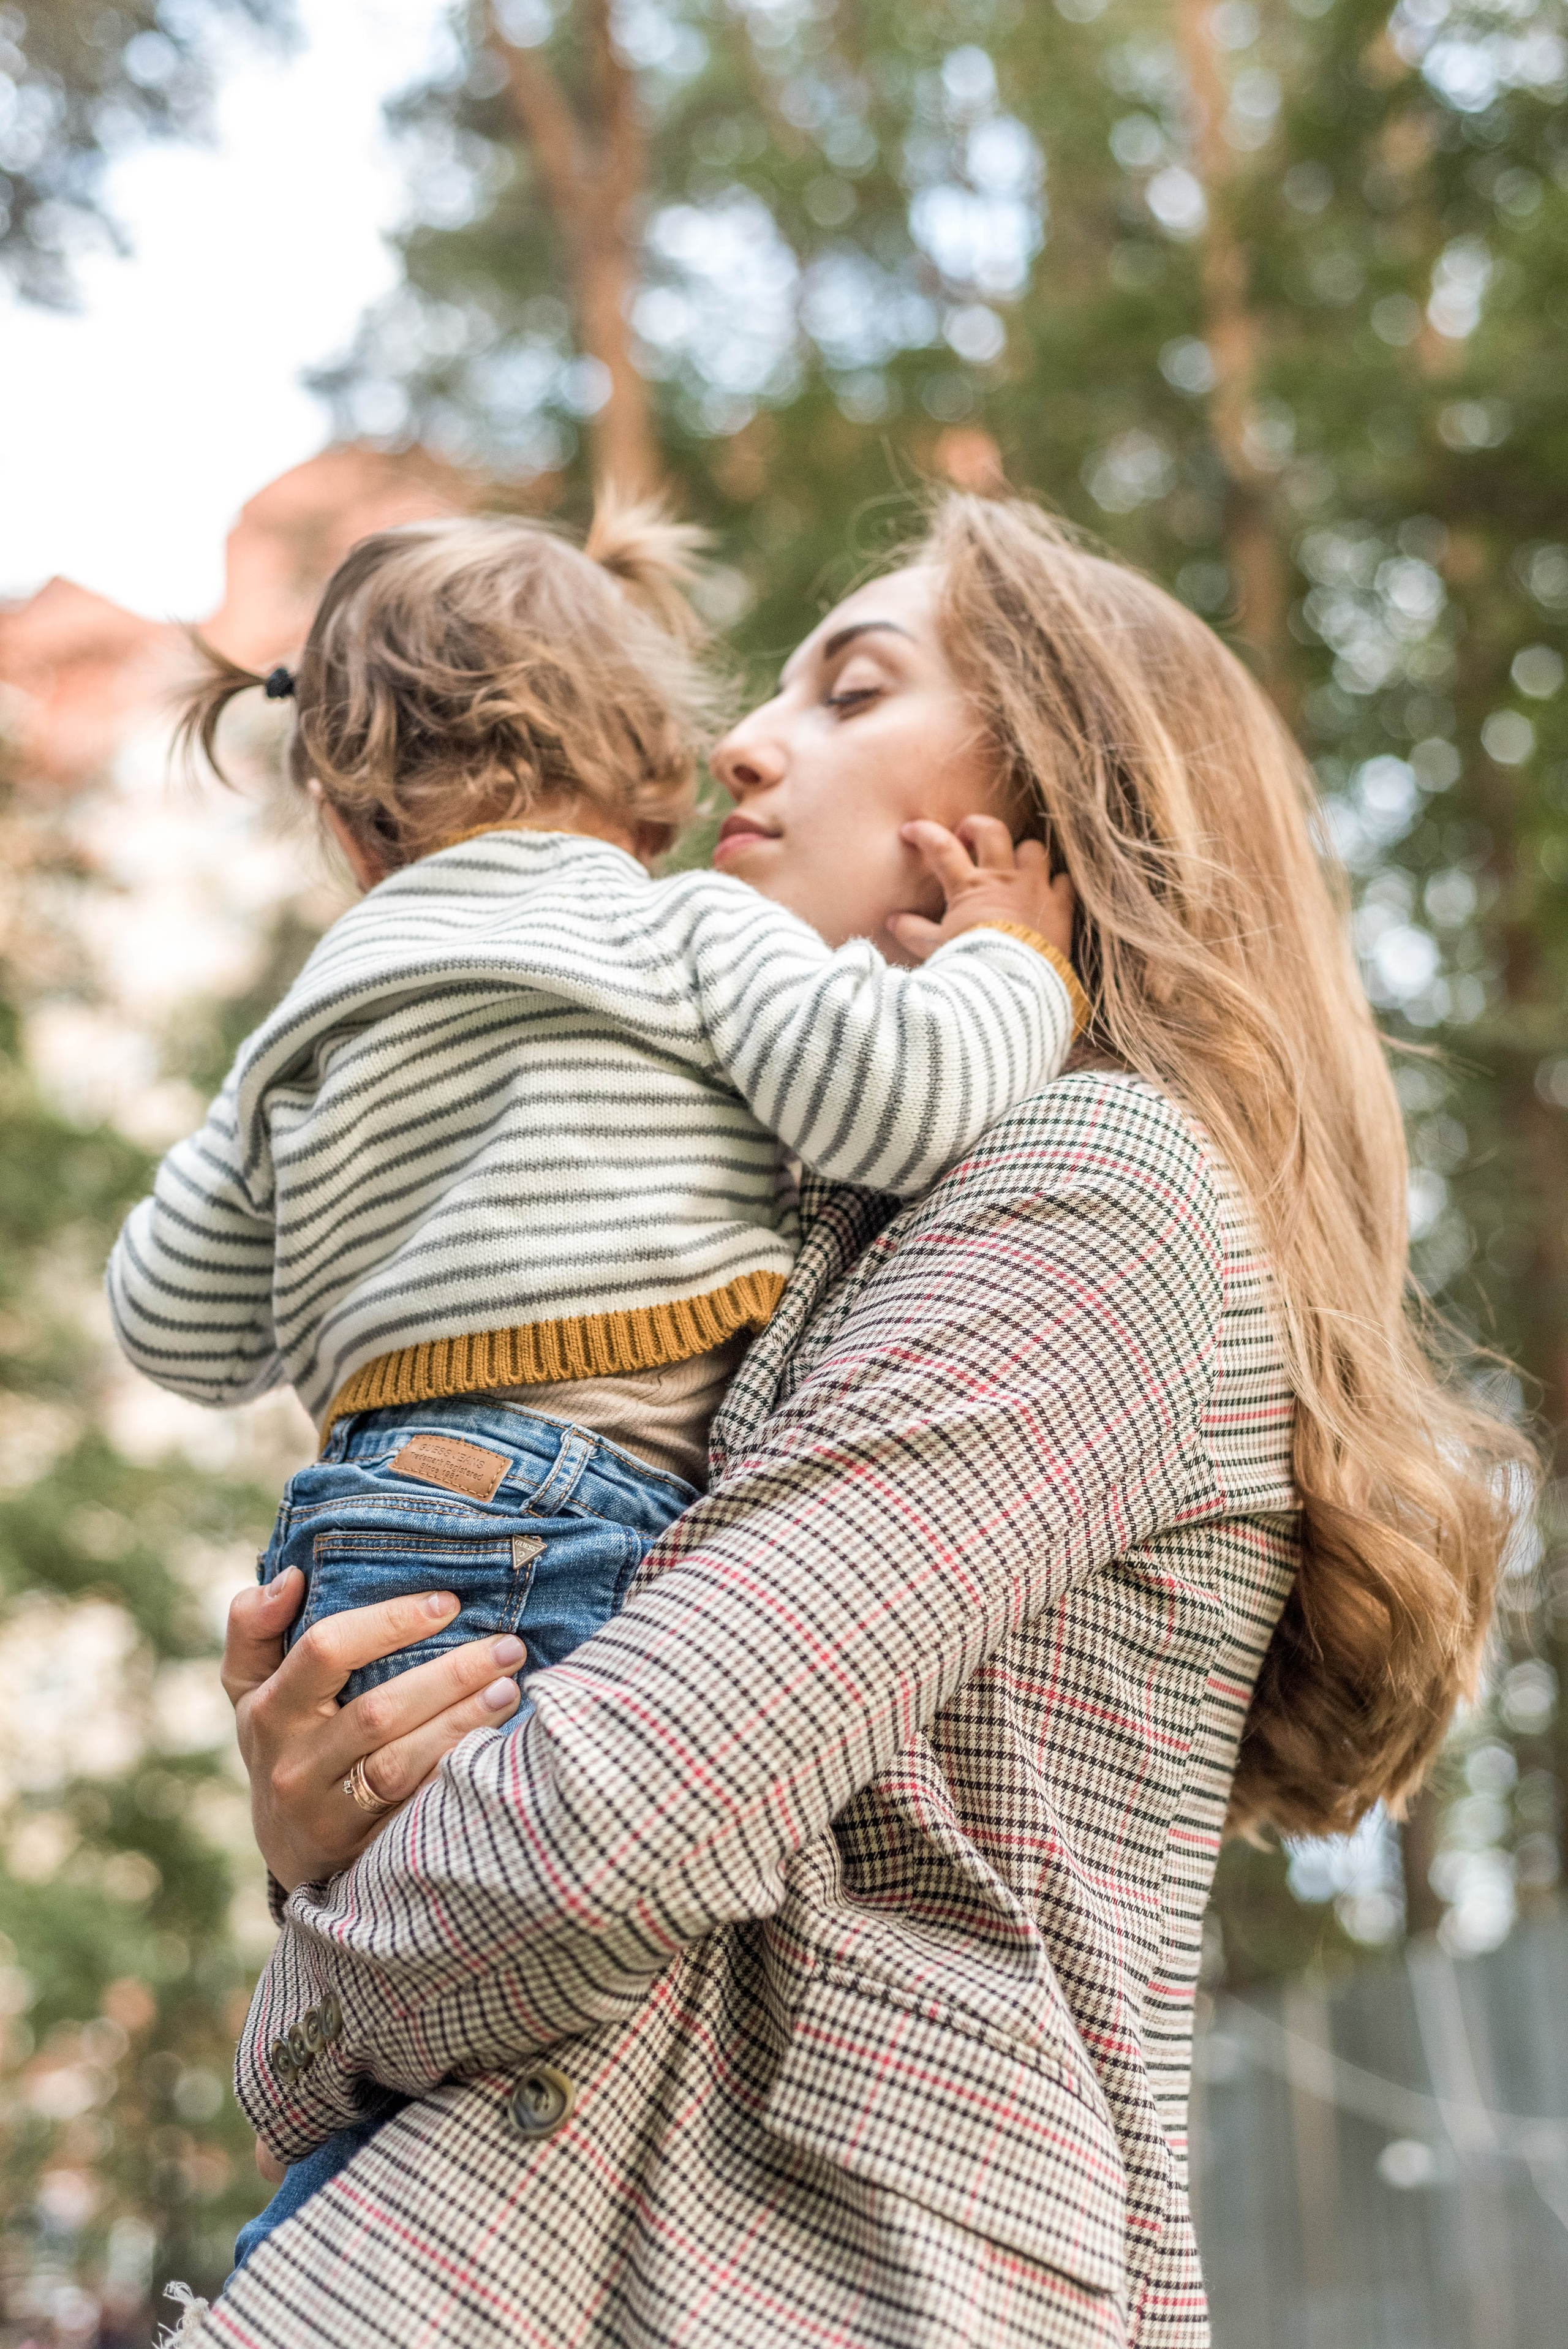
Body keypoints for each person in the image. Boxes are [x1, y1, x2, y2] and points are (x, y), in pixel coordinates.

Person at [183, 497, 1523, 2349]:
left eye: (852, 687)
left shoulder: (1099, 1182)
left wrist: (303, 1996)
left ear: (1057, 795)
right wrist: (329, 1794)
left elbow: (599, 1841)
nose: (745, 737)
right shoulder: (806, 1221)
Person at [108, 497, 1081, 2272]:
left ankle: (303, 2265)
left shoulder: (306, 1015)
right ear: (649, 779)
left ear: (342, 819)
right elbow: (901, 1096)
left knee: (430, 2020)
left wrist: (267, 1108)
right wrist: (1014, 957)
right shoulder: (677, 929)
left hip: (348, 1528)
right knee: (588, 2017)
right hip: (574, 1504)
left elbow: (174, 1320)